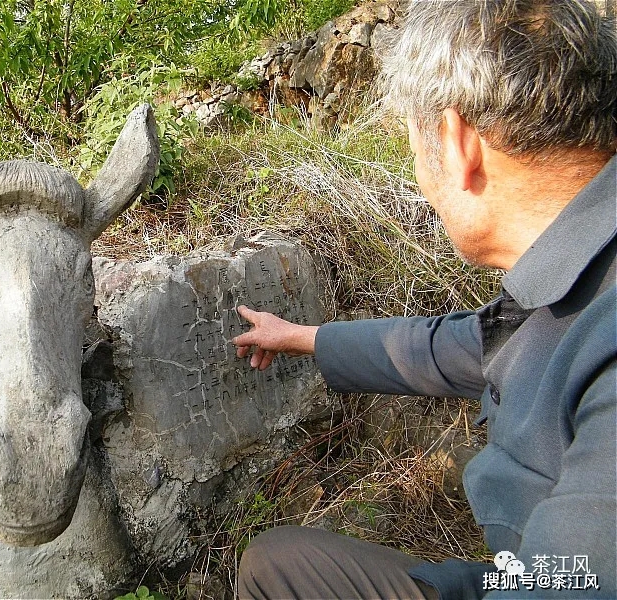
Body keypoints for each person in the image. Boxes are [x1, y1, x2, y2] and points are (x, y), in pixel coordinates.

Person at [231, 1, 617, 598]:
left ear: (458, 142)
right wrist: (304, 338)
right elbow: (459, 346)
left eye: (413, 145)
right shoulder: (579, 272)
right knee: (278, 562)